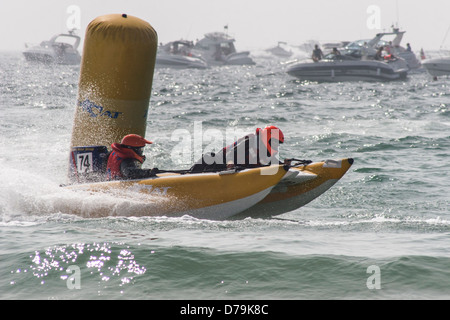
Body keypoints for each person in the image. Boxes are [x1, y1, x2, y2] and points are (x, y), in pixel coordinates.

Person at [191, 126, 285, 172]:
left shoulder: (267, 154)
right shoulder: (251, 141)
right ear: (267, 138)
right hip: (222, 162)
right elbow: (230, 154)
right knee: (209, 156)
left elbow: (276, 164)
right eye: (275, 143)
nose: (276, 146)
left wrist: (286, 165)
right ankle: (189, 176)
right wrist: (230, 162)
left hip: (235, 171)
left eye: (278, 144)